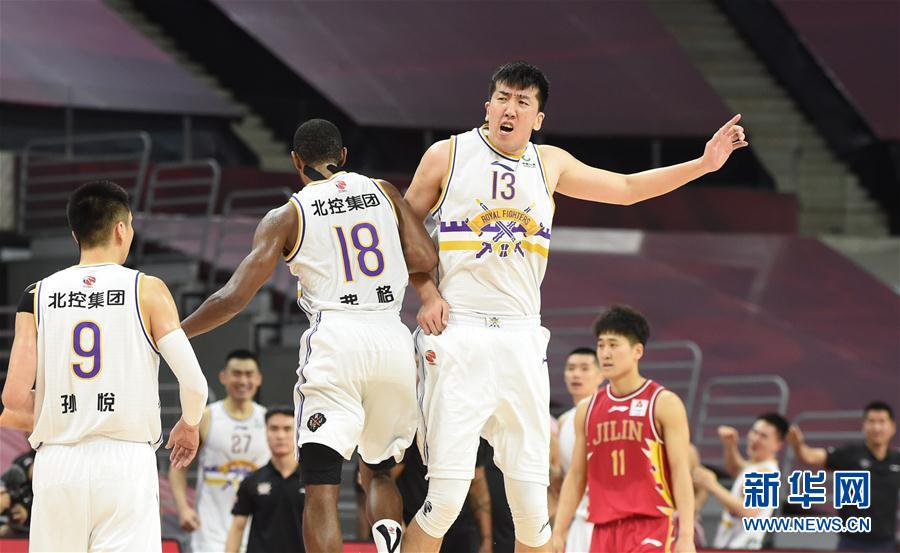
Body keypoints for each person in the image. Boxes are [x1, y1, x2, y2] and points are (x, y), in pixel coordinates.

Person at [401, 61, 746, 553]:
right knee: (445, 501)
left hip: (521, 338)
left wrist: (703, 165)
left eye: (523, 102)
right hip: (459, 332)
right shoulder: (447, 155)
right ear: (488, 105)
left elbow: (626, 189)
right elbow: (405, 228)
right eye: (503, 98)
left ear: (537, 118)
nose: (510, 109)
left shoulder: (550, 164)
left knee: (531, 514)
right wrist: (427, 292)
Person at [180, 118, 437, 553]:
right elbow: (425, 257)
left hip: (336, 339)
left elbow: (233, 297)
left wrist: (176, 333)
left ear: (297, 162)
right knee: (378, 471)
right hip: (392, 338)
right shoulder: (384, 192)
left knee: (320, 485)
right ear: (343, 156)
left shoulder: (288, 215)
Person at [1, 180, 208, 551]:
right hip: (125, 463)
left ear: (75, 234)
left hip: (57, 463)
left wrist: (61, 412)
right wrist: (190, 424)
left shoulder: (35, 295)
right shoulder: (147, 289)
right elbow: (194, 384)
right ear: (121, 229)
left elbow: (13, 398)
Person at [553, 306, 695, 553]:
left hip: (650, 526)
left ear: (637, 351)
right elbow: (575, 476)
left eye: (613, 345)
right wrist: (558, 532)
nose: (605, 353)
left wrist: (686, 536)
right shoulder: (587, 410)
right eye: (601, 345)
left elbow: (681, 471)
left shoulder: (663, 403)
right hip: (602, 529)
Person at [168, 350, 269, 553]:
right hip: (209, 532)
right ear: (223, 377)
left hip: (256, 529)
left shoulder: (268, 421)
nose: (243, 380)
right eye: (237, 373)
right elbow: (178, 466)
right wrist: (183, 508)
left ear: (258, 379)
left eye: (249, 374)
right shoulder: (207, 416)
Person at [788, 401, 899, 552]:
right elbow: (810, 457)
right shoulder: (849, 454)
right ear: (863, 426)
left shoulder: (896, 459)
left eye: (882, 422)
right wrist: (798, 445)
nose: (877, 428)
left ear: (892, 427)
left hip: (885, 544)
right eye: (871, 421)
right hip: (851, 543)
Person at [693, 413, 789, 550]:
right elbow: (736, 468)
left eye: (763, 436)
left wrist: (713, 486)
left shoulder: (767, 473)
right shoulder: (756, 466)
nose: (755, 439)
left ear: (777, 445)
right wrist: (730, 446)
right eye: (754, 432)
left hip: (742, 546)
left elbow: (748, 511)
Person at [394, 434, 493, 553]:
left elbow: (478, 483)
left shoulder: (470, 432)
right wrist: (398, 524)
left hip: (459, 527)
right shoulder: (418, 429)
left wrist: (487, 539)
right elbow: (390, 478)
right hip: (418, 520)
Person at [225, 406, 305, 553]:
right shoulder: (251, 481)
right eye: (274, 429)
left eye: (287, 429)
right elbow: (237, 527)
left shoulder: (312, 482)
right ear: (266, 432)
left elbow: (323, 526)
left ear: (298, 433)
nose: (280, 436)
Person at [553, 347, 603, 552]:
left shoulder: (607, 413)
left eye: (584, 368)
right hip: (578, 522)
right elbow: (567, 478)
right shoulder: (563, 421)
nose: (576, 374)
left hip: (607, 520)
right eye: (571, 368)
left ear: (601, 375)